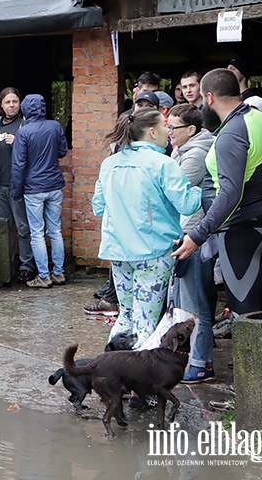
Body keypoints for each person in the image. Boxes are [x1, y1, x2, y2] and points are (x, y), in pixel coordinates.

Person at [173, 68, 262, 315]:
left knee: (245, 312)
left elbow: (230, 193)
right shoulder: (259, 119)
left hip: (239, 231)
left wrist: (197, 236)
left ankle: (254, 355)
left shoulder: (232, 133)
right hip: (259, 224)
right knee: (257, 309)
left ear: (209, 97)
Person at [93, 108, 201, 346]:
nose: (168, 131)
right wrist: (203, 188)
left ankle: (111, 368)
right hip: (154, 251)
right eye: (165, 126)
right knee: (146, 322)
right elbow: (188, 204)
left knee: (126, 315)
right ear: (152, 132)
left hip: (118, 251)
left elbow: (98, 208)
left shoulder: (109, 164)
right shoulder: (163, 164)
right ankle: (141, 376)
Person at [166, 104, 217, 383]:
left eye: (174, 127)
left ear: (191, 129)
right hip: (187, 234)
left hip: (193, 237)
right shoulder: (182, 150)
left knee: (196, 306)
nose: (169, 131)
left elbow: (173, 193)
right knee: (189, 303)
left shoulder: (196, 154)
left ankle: (202, 363)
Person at [11, 94, 68, 288]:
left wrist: (16, 192)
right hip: (55, 185)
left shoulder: (24, 132)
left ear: (25, 110)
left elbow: (18, 165)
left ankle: (43, 276)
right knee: (55, 230)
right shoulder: (55, 126)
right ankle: (58, 273)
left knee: (37, 233)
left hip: (33, 188)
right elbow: (62, 151)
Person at [0, 87, 34, 283]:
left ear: (20, 104)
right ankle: (6, 266)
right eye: (7, 102)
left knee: (22, 227)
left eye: (15, 101)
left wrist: (18, 142)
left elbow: (33, 153)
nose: (11, 105)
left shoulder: (25, 124)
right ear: (1, 105)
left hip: (18, 186)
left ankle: (26, 266)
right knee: (3, 228)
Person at [229, 57, 262, 122]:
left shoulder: (256, 98)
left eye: (233, 69)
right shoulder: (228, 98)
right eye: (227, 69)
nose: (228, 72)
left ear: (243, 73)